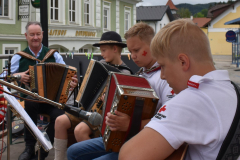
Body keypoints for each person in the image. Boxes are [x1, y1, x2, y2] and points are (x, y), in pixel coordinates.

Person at [119, 19, 238, 160]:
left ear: (183, 62)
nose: (162, 76)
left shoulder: (192, 99)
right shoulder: (231, 87)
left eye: (163, 66)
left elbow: (129, 156)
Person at [67, 22, 174, 160]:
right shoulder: (142, 74)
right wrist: (110, 101)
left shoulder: (165, 77)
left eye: (137, 50)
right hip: (126, 136)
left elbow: (168, 122)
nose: (133, 56)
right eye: (130, 52)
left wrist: (130, 124)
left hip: (143, 142)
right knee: (72, 152)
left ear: (153, 45)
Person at [54, 31, 132, 160]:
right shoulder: (99, 65)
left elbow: (122, 102)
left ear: (115, 49)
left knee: (80, 130)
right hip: (87, 109)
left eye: (104, 50)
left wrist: (108, 99)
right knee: (59, 121)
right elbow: (86, 89)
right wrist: (75, 85)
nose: (101, 54)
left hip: (102, 114)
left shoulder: (125, 73)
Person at [11, 21, 78, 160]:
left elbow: (67, 75)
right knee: (29, 106)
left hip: (51, 100)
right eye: (32, 34)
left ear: (42, 35)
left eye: (38, 34)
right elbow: (6, 78)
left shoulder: (54, 55)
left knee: (60, 116)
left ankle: (44, 149)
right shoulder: (19, 57)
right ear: (26, 36)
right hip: (30, 99)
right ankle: (29, 147)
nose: (35, 37)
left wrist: (72, 82)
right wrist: (19, 76)